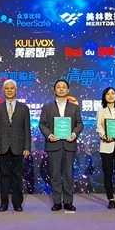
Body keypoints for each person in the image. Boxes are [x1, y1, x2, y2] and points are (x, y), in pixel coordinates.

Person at [39, 79, 84, 211]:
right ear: (54, 90)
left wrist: (74, 134)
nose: (61, 89)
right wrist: (49, 135)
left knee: (69, 174)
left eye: (64, 87)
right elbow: (42, 124)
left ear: (68, 90)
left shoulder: (74, 107)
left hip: (69, 144)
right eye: (58, 87)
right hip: (54, 145)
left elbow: (80, 124)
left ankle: (68, 202)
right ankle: (57, 202)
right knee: (55, 175)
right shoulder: (47, 107)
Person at [0, 79, 31, 212]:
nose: (9, 90)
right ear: (3, 91)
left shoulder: (24, 108)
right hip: (2, 146)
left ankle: (17, 203)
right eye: (7, 88)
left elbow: (27, 129)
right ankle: (4, 203)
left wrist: (27, 147)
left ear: (16, 90)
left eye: (11, 88)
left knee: (17, 176)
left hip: (19, 146)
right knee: (4, 176)